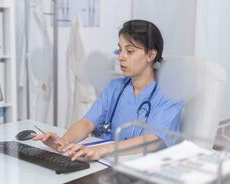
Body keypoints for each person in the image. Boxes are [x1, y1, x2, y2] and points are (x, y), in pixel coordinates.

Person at [33, 19, 183, 161]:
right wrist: (63, 141)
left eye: (129, 51)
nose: (121, 57)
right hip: (107, 164)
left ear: (150, 55)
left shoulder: (169, 94)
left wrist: (103, 150)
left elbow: (153, 140)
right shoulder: (115, 87)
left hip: (144, 172)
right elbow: (88, 122)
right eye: (120, 50)